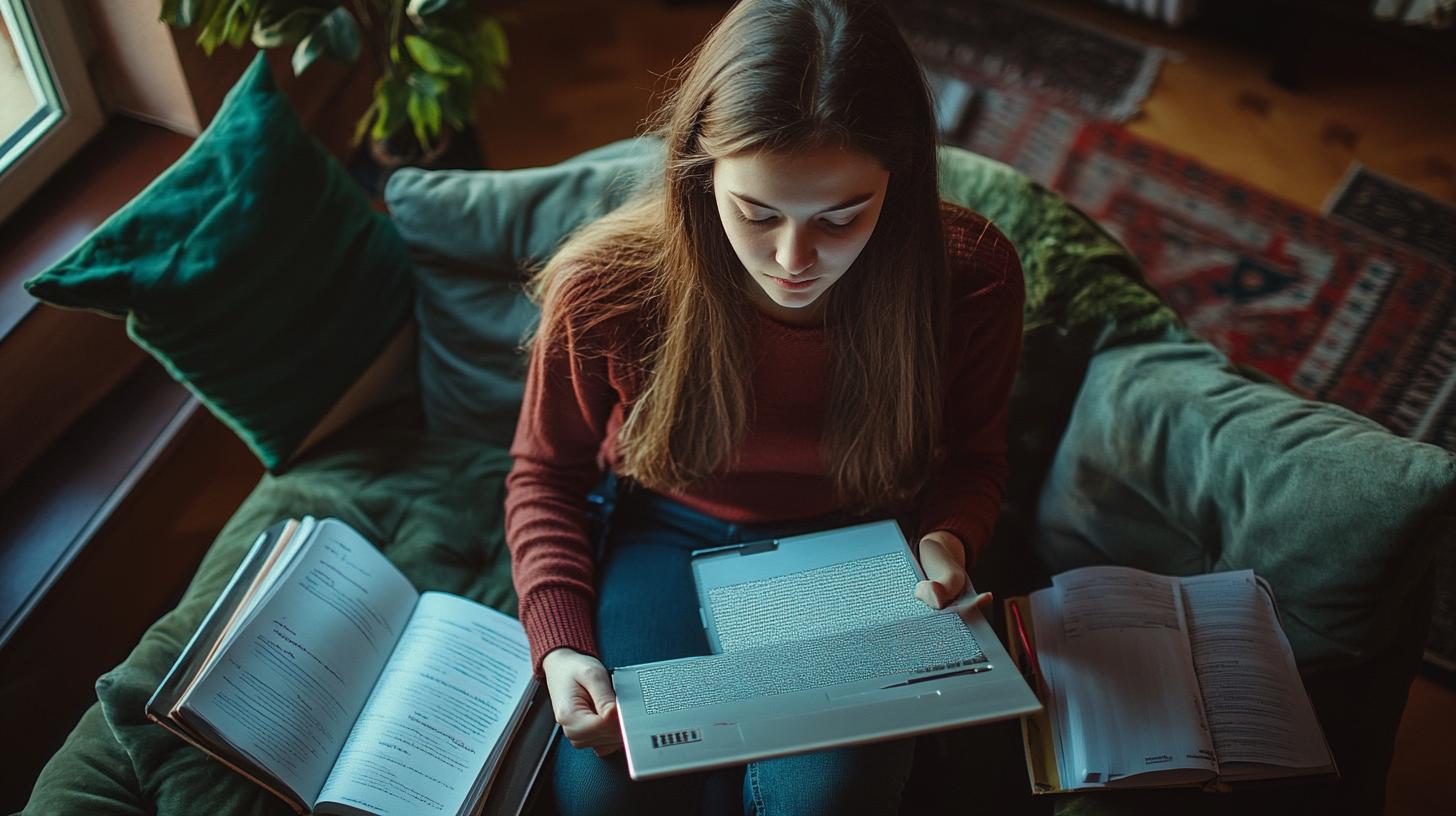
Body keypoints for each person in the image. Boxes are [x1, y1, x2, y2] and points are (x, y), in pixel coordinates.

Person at [503, 0, 1025, 812]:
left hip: (856, 547)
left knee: (827, 798)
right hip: (662, 534)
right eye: (755, 212)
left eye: (842, 217)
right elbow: (544, 472)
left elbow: (975, 459)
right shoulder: (607, 287)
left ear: (902, 178)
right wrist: (562, 648)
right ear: (698, 173)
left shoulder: (970, 276)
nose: (792, 260)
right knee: (603, 794)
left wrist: (948, 540)